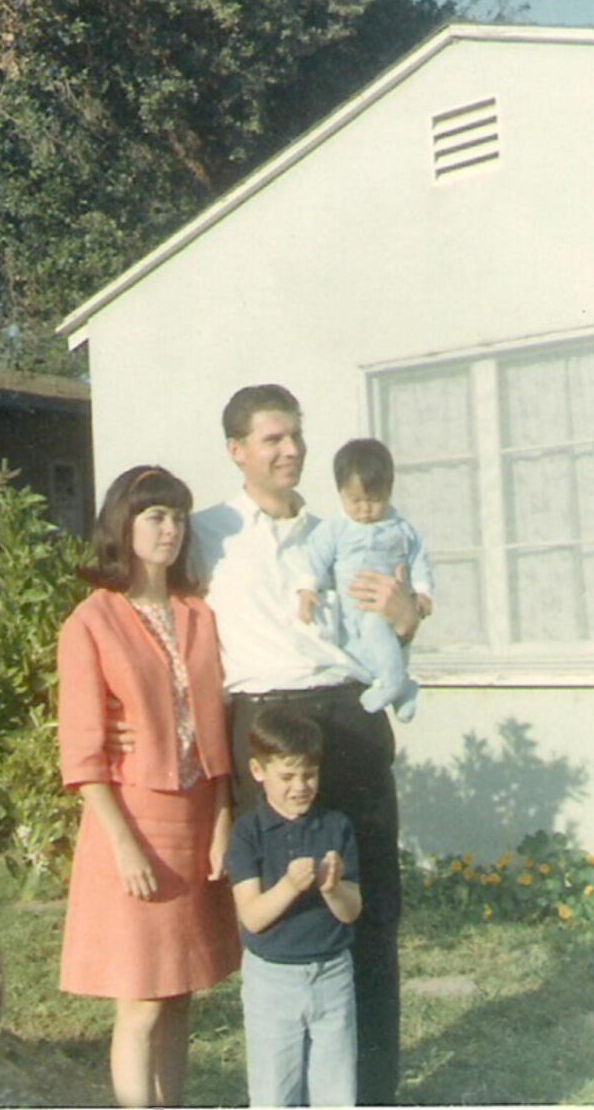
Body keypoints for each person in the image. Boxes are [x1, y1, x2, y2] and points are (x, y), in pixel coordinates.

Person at [189, 384, 420, 1105]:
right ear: (237, 451)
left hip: (348, 717)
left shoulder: (345, 530)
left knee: (368, 904)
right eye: (271, 439)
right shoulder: (204, 534)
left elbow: (401, 625)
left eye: (296, 437)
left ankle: (371, 1094)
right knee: (286, 915)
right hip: (262, 721)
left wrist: (404, 608)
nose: (290, 451)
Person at [56, 464, 241, 1108]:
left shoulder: (198, 613)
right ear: (123, 526)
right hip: (131, 824)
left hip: (195, 821)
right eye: (155, 517)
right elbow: (82, 756)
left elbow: (215, 725)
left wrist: (222, 817)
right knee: (140, 1002)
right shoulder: (91, 622)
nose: (170, 530)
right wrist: (124, 846)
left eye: (179, 517)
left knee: (181, 992)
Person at [227, 705, 363, 1107]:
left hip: (332, 974)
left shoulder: (336, 826)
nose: (300, 786)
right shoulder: (247, 834)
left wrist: (332, 887)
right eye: (286, 776)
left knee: (336, 1090)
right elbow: (252, 917)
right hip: (273, 981)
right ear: (257, 771)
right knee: (274, 1092)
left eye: (309, 774)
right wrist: (288, 886)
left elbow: (351, 910)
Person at [296, 438, 434, 723]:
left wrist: (422, 591)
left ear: (389, 492)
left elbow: (419, 558)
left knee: (381, 634)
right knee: (361, 654)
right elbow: (316, 557)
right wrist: (308, 588)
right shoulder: (335, 530)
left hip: (383, 609)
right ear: (341, 494)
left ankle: (393, 684)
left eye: (374, 500)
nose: (365, 509)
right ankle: (402, 686)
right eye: (355, 501)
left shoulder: (400, 529)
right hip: (349, 614)